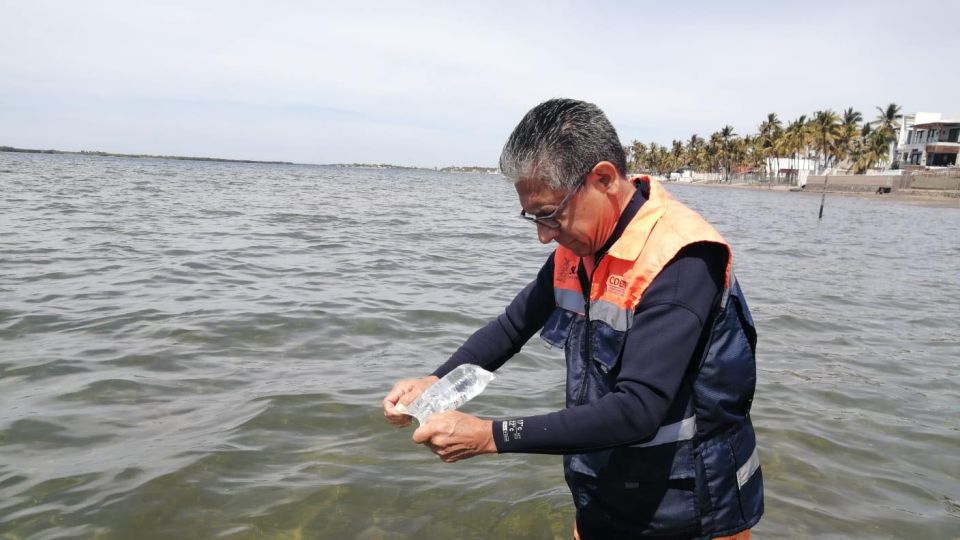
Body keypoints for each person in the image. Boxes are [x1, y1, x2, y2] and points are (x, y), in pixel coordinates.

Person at [382, 99, 763, 539]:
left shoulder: (681, 260)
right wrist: (436, 383)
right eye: (532, 218)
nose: (545, 236)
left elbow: (638, 409)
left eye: (550, 215)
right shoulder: (578, 247)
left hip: (690, 505)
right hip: (606, 485)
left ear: (602, 179)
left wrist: (491, 435)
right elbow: (511, 327)